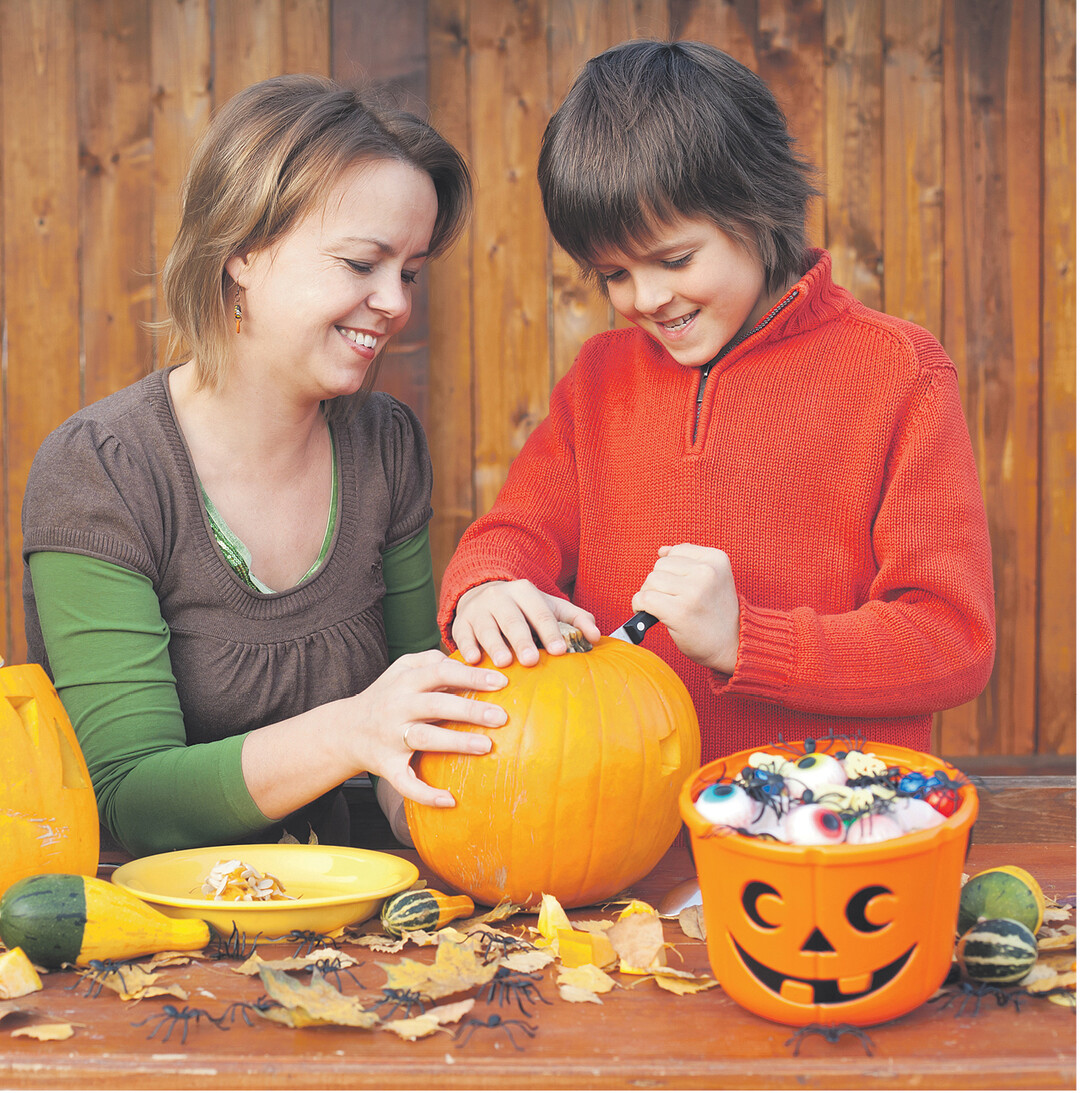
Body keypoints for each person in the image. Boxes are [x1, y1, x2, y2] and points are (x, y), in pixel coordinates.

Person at [438, 39, 995, 769]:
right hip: (624, 838)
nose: (647, 297)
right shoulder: (598, 382)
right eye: (614, 274)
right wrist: (487, 588)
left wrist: (746, 640)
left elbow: (950, 639)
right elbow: (510, 535)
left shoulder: (900, 374)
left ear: (759, 207)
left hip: (822, 828)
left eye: (674, 260)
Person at [22, 75, 508, 857]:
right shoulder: (103, 471)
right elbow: (128, 799)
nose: (395, 303)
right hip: (156, 940)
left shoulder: (384, 445)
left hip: (362, 916)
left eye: (410, 273)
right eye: (361, 264)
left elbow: (415, 733)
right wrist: (349, 732)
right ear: (242, 250)